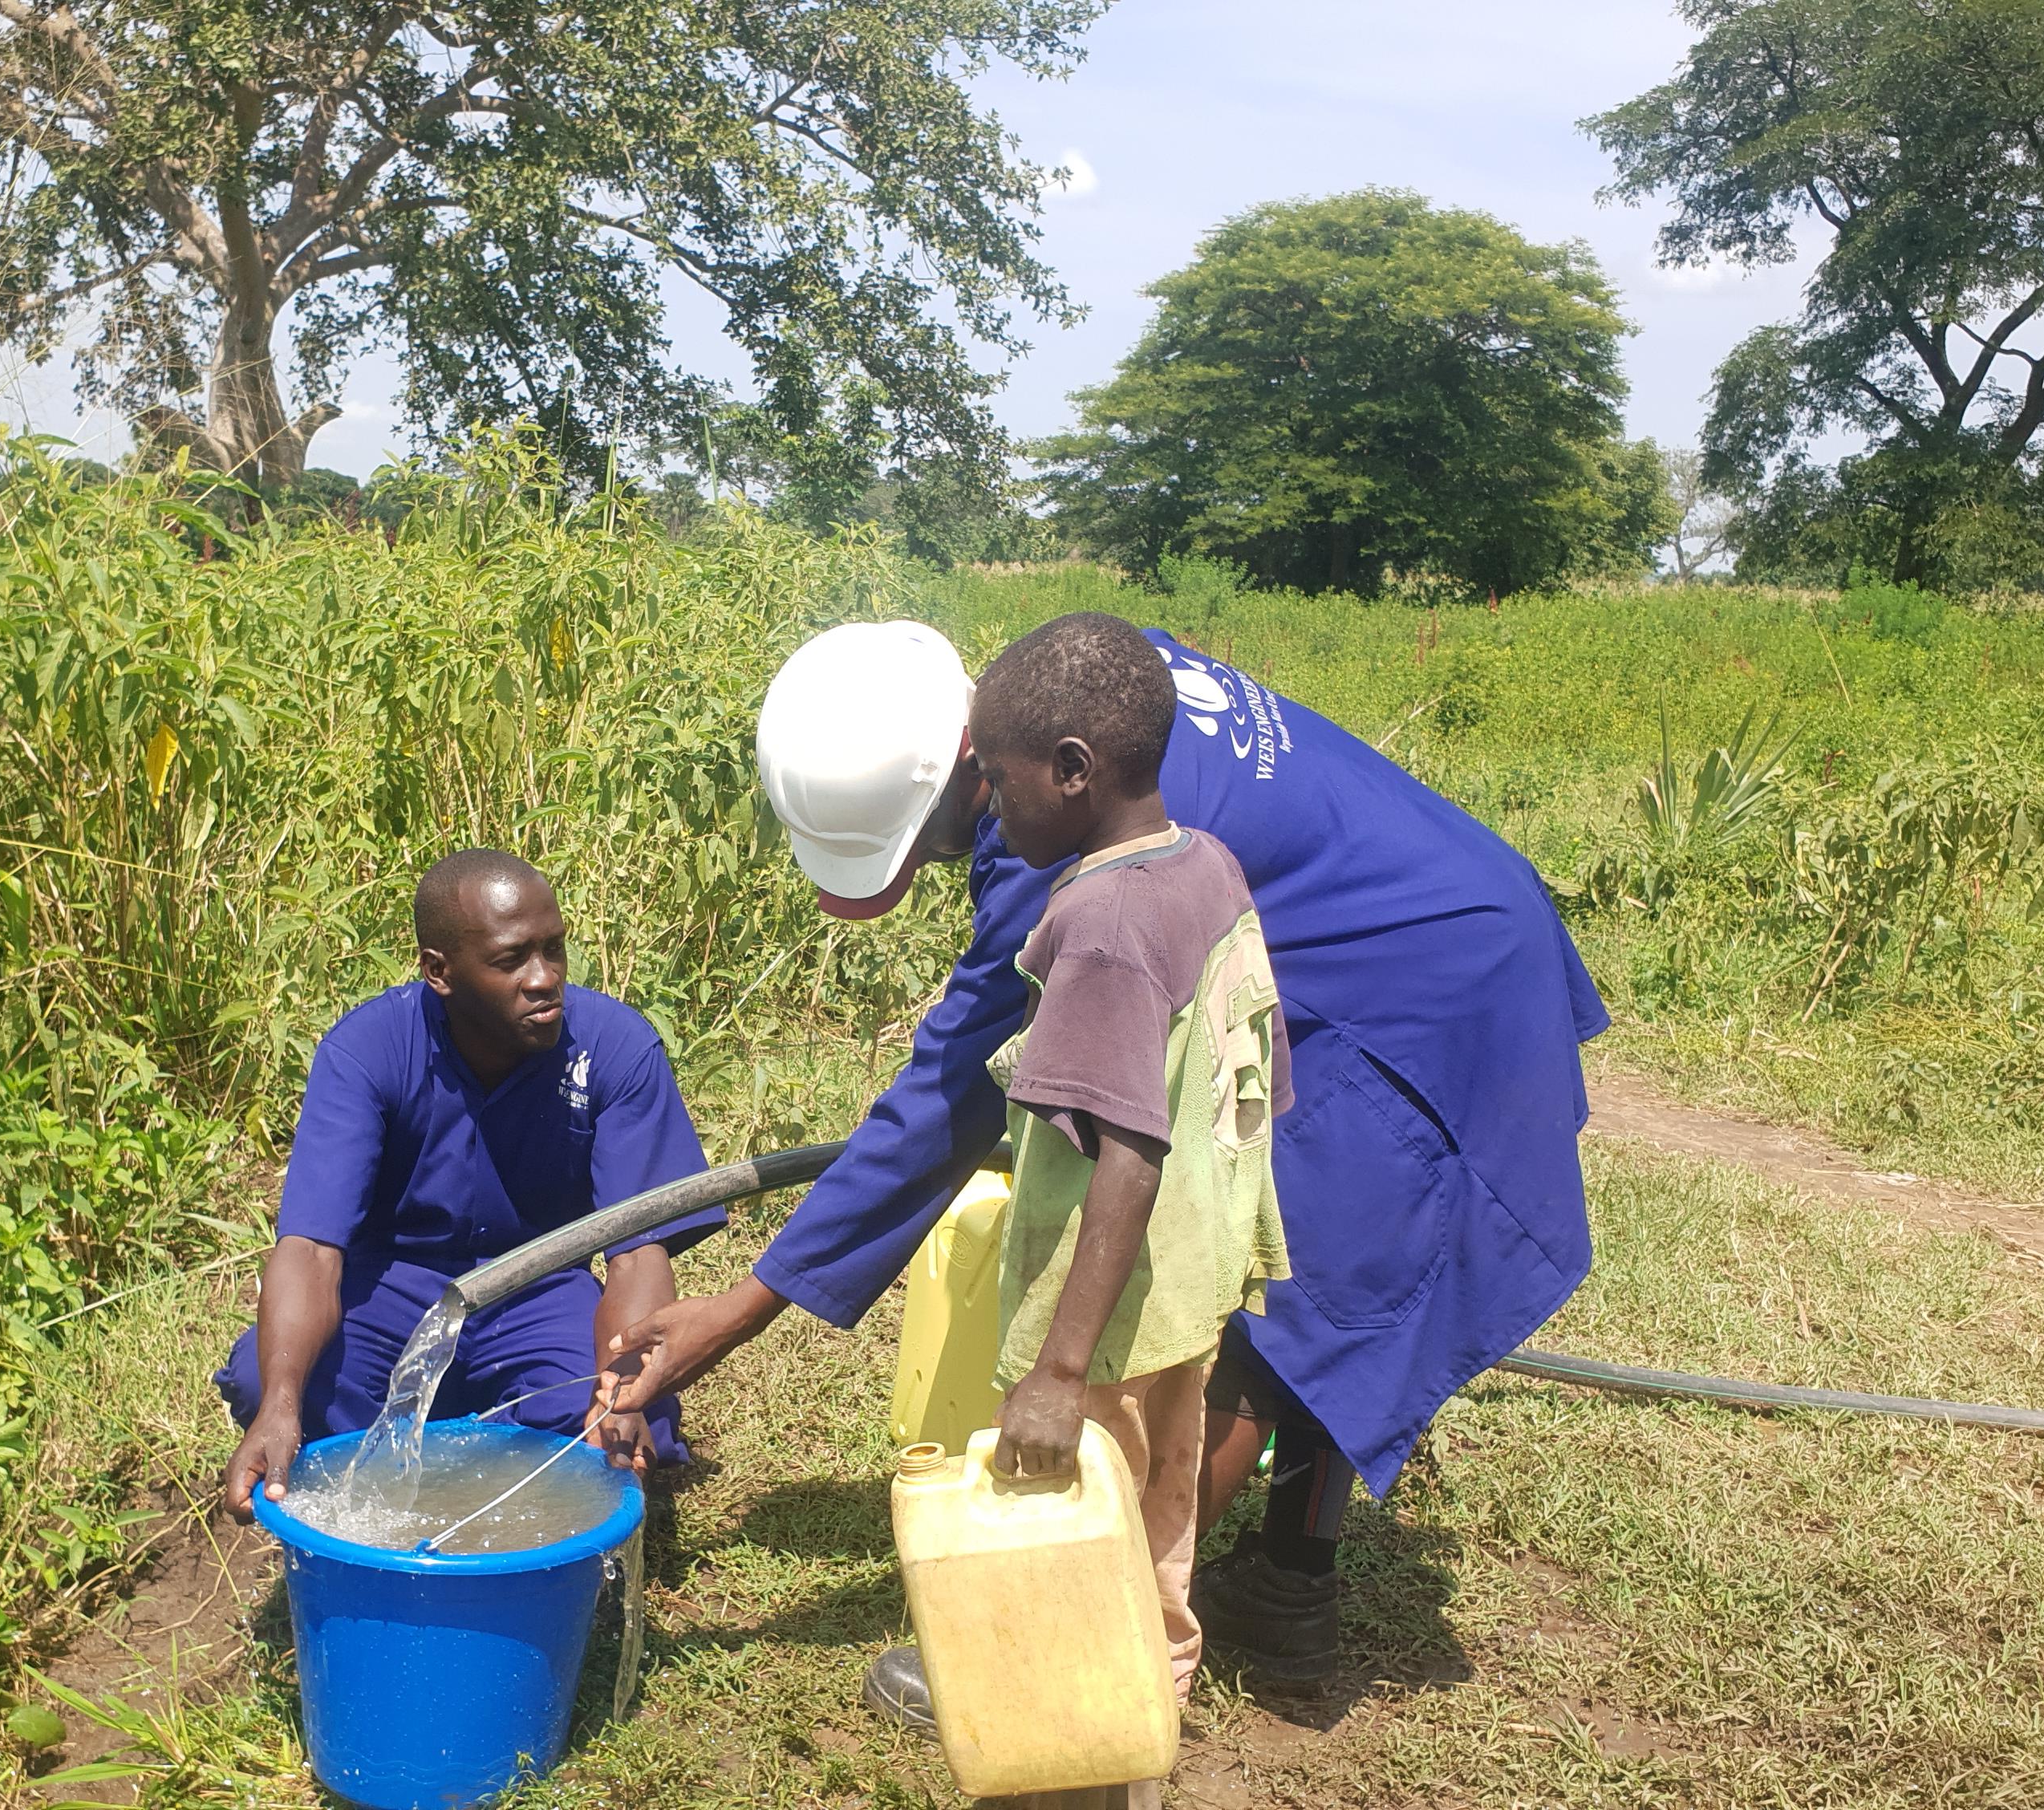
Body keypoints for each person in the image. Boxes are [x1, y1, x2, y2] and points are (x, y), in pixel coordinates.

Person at [602, 614, 1607, 1715]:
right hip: (1450, 907)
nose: (947, 865)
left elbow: (951, 1095)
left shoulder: (1091, 867)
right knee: (1307, 1284)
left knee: (1277, 1316)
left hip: (1423, 981)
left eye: (935, 841)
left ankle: (1046, 1645)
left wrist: (745, 1308)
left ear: (982, 774)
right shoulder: (1082, 692)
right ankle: (1284, 1591)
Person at [963, 613, 1293, 1711]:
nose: (988, 804)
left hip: (1096, 1321)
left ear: (1070, 771)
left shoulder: (1100, 920)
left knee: (1080, 1538)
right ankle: (1152, 1702)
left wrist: (1060, 1374)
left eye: (998, 779)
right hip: (1179, 1294)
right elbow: (1251, 1073)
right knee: (1155, 1526)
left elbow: (1130, 1150)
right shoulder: (1205, 864)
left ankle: (1076, 1739)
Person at [219, 850, 713, 1517]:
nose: (545, 979)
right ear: (439, 972)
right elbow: (310, 1250)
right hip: (390, 1290)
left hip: (540, 1287)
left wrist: (617, 1392)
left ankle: (542, 1512)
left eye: (554, 950)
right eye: (513, 960)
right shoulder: (367, 1053)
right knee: (268, 1378)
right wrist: (279, 1406)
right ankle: (358, 1511)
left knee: (614, 1419)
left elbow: (637, 1252)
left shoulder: (615, 1050)